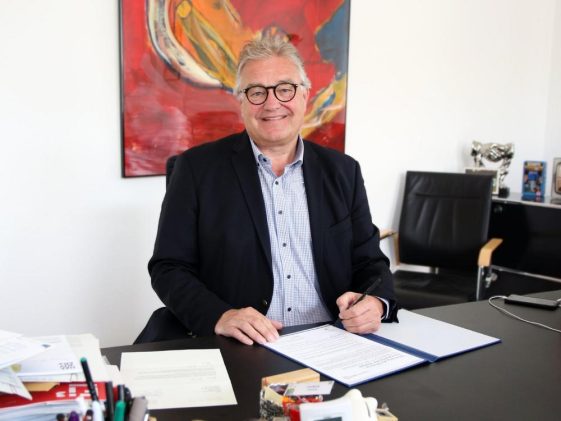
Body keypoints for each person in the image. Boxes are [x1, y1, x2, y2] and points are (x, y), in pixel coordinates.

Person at [147, 35, 398, 346]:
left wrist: (375, 303)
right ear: (240, 101)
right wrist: (220, 316)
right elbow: (168, 267)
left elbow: (370, 262)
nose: (272, 103)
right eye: (256, 92)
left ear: (304, 95)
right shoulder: (196, 169)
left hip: (332, 341)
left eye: (285, 89)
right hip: (245, 346)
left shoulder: (343, 171)